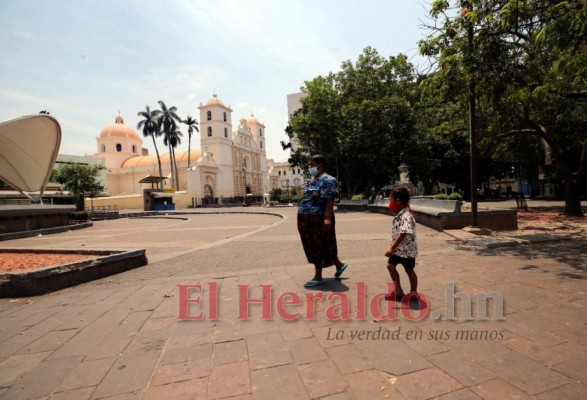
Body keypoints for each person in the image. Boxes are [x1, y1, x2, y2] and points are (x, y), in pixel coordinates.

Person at [297, 155, 349, 288]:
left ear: (321, 165)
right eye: (309, 165)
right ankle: (339, 264)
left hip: (319, 218)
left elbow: (330, 199)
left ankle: (318, 276)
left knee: (318, 245)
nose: (310, 167)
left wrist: (327, 218)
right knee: (317, 244)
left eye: (312, 164)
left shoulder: (328, 180)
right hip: (306, 218)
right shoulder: (311, 180)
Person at [384, 188, 418, 300]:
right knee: (390, 266)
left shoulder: (406, 216)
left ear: (398, 201)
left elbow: (404, 232)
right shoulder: (400, 214)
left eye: (391, 200)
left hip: (407, 250)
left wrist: (391, 248)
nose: (390, 203)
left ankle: (413, 293)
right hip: (398, 249)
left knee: (409, 270)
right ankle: (398, 291)